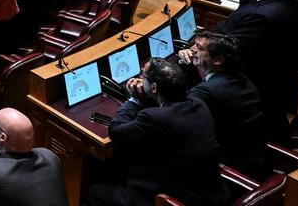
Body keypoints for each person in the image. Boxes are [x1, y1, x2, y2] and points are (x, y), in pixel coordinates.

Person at [88, 58, 221, 206]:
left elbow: (116, 131)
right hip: (206, 190)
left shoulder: (153, 117)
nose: (140, 79)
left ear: (154, 87)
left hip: (170, 197)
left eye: (143, 76)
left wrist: (134, 99)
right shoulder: (198, 103)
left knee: (96, 191)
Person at [216, 0, 298, 133]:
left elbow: (228, 52)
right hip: (279, 85)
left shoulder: (261, 16)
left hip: (252, 88)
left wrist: (199, 45)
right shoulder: (294, 1)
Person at [183, 32, 266, 175]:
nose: (192, 50)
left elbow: (177, 117)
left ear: (218, 60)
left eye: (199, 48)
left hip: (226, 168)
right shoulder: (241, 78)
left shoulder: (207, 92)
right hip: (254, 158)